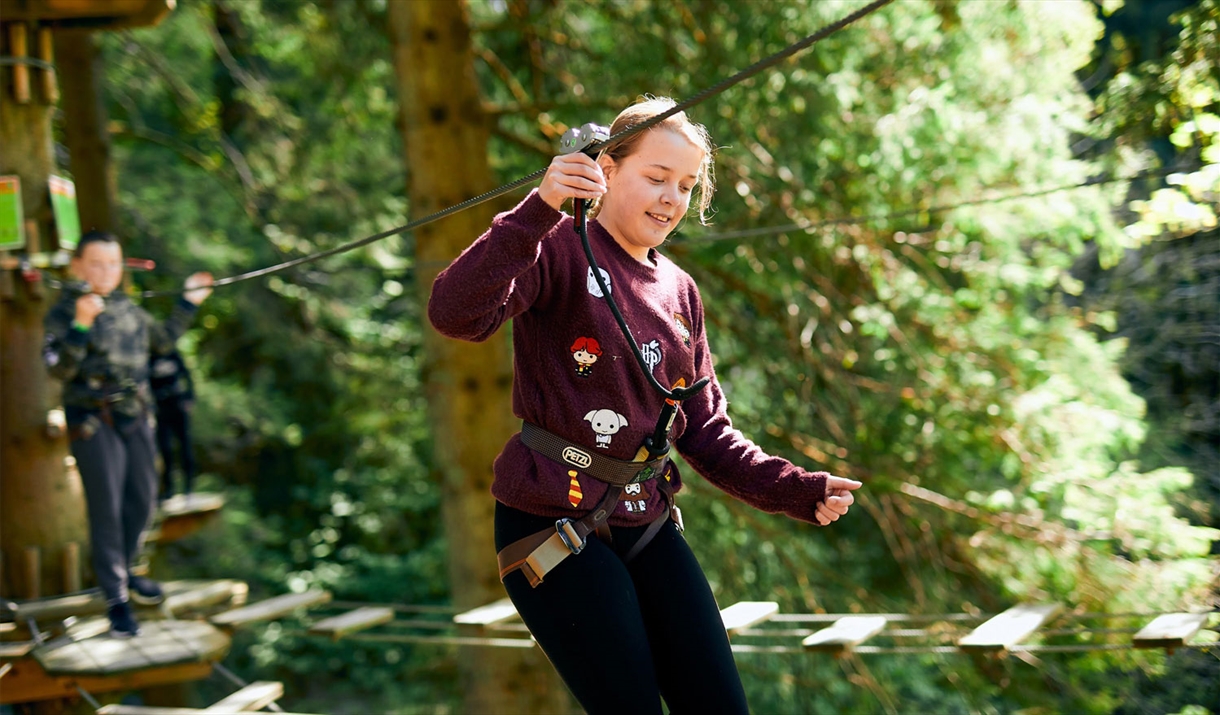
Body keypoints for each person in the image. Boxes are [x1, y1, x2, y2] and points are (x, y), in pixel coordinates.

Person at [428, 97, 862, 714]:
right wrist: (539, 209)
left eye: (686, 186)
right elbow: (454, 313)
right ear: (604, 169)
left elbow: (706, 431)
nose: (671, 198)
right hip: (553, 519)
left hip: (647, 519)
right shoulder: (556, 247)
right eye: (656, 178)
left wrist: (796, 489)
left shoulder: (679, 291)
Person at [43, 230, 213, 638]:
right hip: (92, 419)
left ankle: (127, 569)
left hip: (135, 413)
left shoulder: (128, 309)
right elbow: (58, 369)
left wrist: (189, 300)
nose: (107, 272)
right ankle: (116, 598)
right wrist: (81, 325)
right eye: (97, 263)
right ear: (77, 266)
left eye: (114, 263)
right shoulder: (65, 311)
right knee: (108, 507)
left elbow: (164, 340)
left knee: (143, 500)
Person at [149, 346, 197, 501]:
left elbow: (187, 376)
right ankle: (169, 489)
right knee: (165, 449)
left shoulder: (172, 353)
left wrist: (189, 398)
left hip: (178, 406)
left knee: (185, 445)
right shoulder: (148, 357)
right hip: (161, 410)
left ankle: (189, 486)